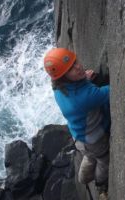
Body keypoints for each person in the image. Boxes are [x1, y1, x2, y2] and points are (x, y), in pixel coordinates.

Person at [44, 48, 110, 200]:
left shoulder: (58, 89)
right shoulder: (85, 98)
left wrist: (84, 79)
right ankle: (101, 184)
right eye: (71, 69)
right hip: (95, 140)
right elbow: (112, 91)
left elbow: (77, 91)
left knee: (90, 156)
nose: (78, 67)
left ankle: (83, 178)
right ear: (63, 78)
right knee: (103, 160)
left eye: (75, 62)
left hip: (79, 138)